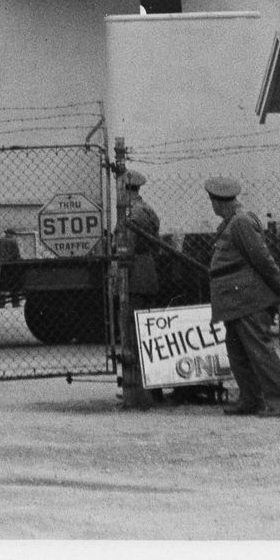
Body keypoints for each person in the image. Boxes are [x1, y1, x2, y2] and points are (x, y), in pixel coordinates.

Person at [204, 172, 280, 416]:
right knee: (238, 352)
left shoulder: (240, 223)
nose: (212, 206)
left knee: (259, 351)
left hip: (249, 300)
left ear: (218, 202)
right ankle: (251, 399)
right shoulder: (233, 222)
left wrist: (279, 286)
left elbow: (262, 259)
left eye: (212, 202)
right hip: (237, 301)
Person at [110, 167, 165, 409]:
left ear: (123, 188)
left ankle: (140, 391)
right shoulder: (145, 209)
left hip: (135, 276)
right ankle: (147, 388)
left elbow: (127, 248)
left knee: (134, 335)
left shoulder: (134, 213)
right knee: (144, 334)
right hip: (145, 273)